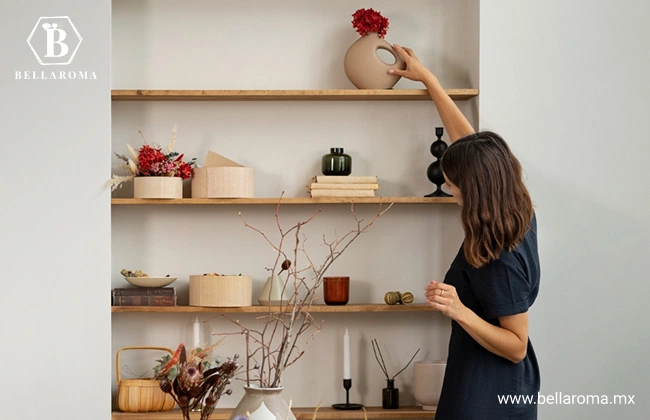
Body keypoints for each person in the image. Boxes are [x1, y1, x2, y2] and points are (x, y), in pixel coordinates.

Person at [390, 45, 541, 419]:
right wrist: (429, 80)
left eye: (455, 186)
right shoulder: (518, 211)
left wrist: (458, 310)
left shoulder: (497, 255)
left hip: (487, 395)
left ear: (476, 189)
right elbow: (471, 146)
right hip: (491, 385)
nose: (452, 192)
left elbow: (516, 345)